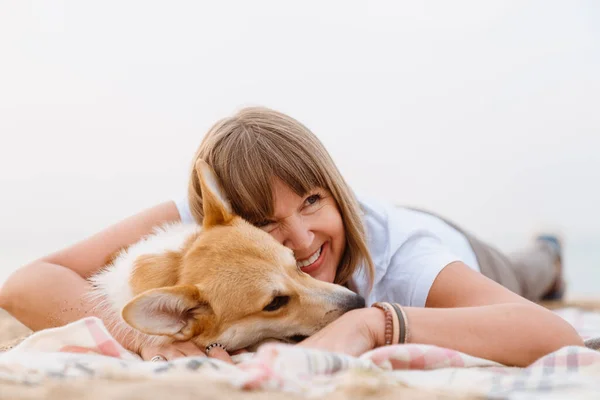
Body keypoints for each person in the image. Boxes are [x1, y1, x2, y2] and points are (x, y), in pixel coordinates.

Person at [0, 107, 583, 367]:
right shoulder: (218, 224)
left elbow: (552, 333)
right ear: (227, 217)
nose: (299, 240)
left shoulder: (408, 255)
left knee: (531, 270)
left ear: (336, 189)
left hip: (461, 247)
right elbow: (26, 282)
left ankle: (550, 252)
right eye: (267, 223)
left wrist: (372, 320)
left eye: (311, 200)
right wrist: (142, 337)